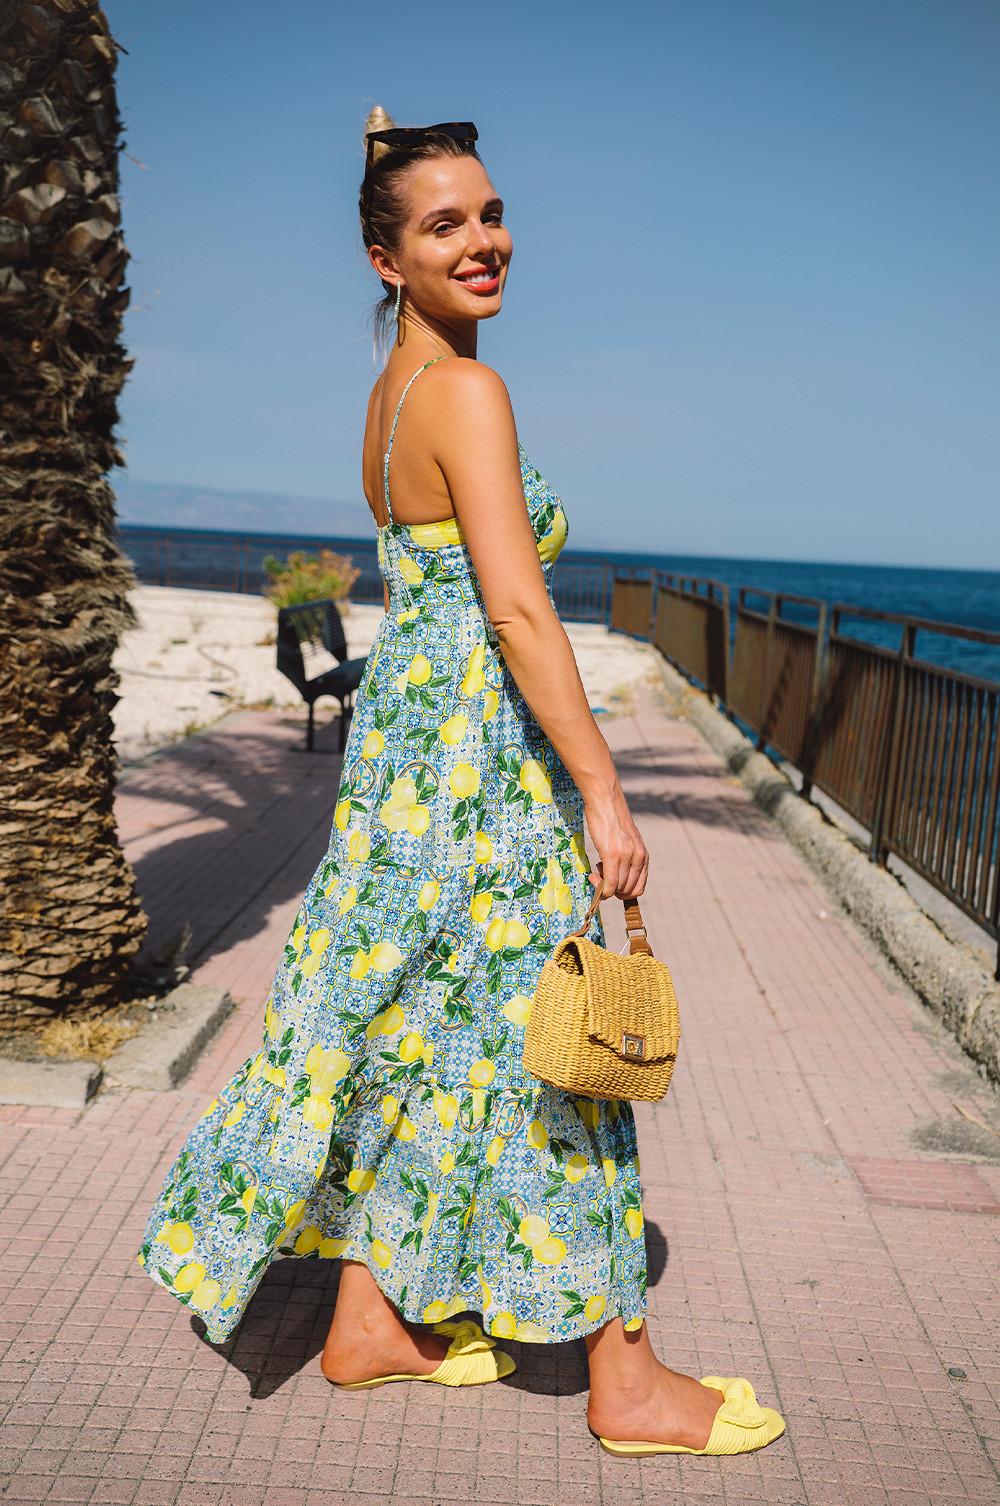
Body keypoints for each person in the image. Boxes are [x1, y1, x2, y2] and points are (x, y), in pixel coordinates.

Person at [135, 105, 785, 1460]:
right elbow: (520, 612)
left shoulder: (389, 402)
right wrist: (603, 786)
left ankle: (368, 1316)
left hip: (404, 767)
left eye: (488, 213)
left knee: (430, 1027)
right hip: (479, 773)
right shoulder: (470, 394)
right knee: (569, 1047)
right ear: (388, 261)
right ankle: (626, 1382)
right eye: (445, 224)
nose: (483, 239)